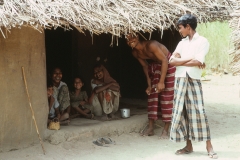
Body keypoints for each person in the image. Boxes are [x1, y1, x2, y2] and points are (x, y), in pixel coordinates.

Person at [169, 14, 217, 159]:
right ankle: (188, 145)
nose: (179, 30)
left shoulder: (203, 41)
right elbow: (171, 60)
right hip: (180, 79)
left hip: (193, 79)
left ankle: (209, 146)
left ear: (188, 27)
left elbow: (198, 61)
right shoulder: (182, 43)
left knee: (199, 112)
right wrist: (192, 58)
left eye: (180, 28)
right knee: (182, 112)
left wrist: (184, 61)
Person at [125, 33, 176, 138]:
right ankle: (151, 127)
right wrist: (149, 84)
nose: (129, 41)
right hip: (157, 65)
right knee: (152, 94)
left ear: (137, 37)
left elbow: (165, 60)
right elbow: (145, 67)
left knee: (167, 96)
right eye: (127, 39)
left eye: (131, 37)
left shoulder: (151, 45)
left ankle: (166, 129)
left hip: (169, 63)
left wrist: (161, 82)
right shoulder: (135, 53)